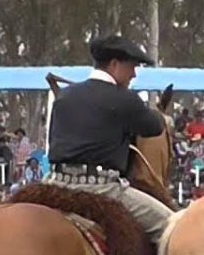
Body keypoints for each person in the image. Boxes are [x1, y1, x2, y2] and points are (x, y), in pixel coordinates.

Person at [46, 34, 172, 242]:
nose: (134, 75)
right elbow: (154, 127)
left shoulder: (65, 96)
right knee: (171, 227)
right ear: (114, 64)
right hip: (102, 187)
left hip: (55, 183)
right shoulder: (123, 99)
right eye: (132, 67)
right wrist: (149, 109)